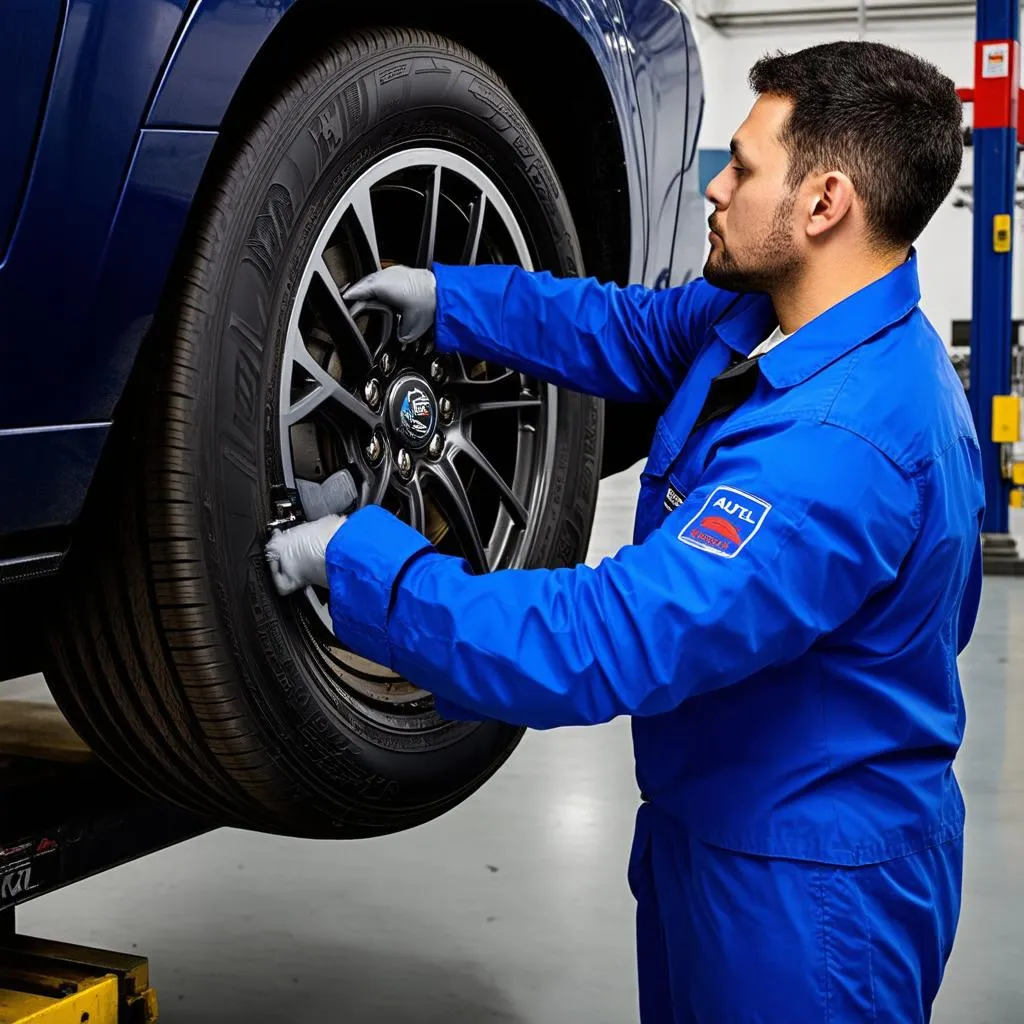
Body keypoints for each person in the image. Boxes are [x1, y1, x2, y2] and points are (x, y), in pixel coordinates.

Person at [265, 40, 984, 1023]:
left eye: (739, 166)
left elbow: (604, 639)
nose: (713, 189)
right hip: (720, 823)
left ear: (822, 205)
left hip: (807, 894)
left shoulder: (837, 448)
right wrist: (453, 301)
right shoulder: (770, 315)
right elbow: (626, 330)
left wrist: (375, 575)